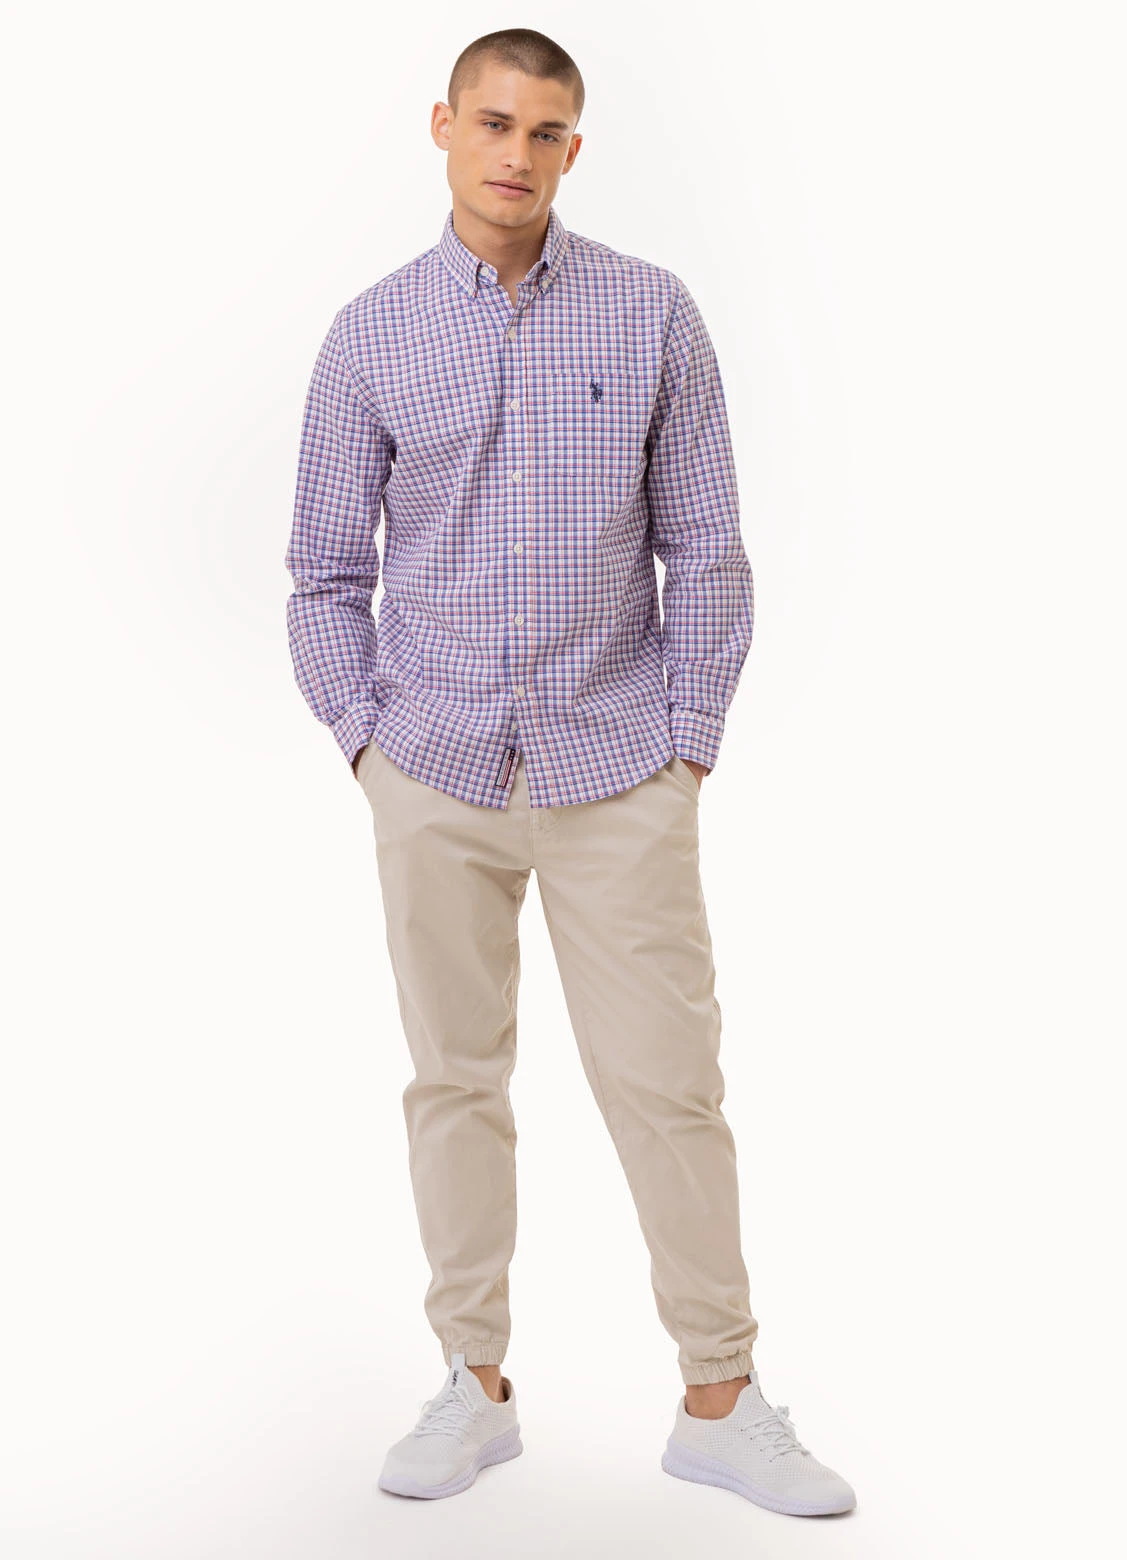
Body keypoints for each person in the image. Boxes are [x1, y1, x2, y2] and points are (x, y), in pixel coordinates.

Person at [284, 26, 856, 1520]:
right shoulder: (370, 334)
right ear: (443, 127)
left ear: (574, 150)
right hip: (433, 765)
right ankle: (471, 1385)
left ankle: (720, 1397)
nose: (515, 155)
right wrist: (367, 743)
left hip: (617, 768)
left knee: (671, 1086)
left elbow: (708, 550)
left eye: (544, 132)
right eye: (493, 124)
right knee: (453, 1081)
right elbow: (325, 575)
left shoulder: (650, 313)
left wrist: (688, 742)